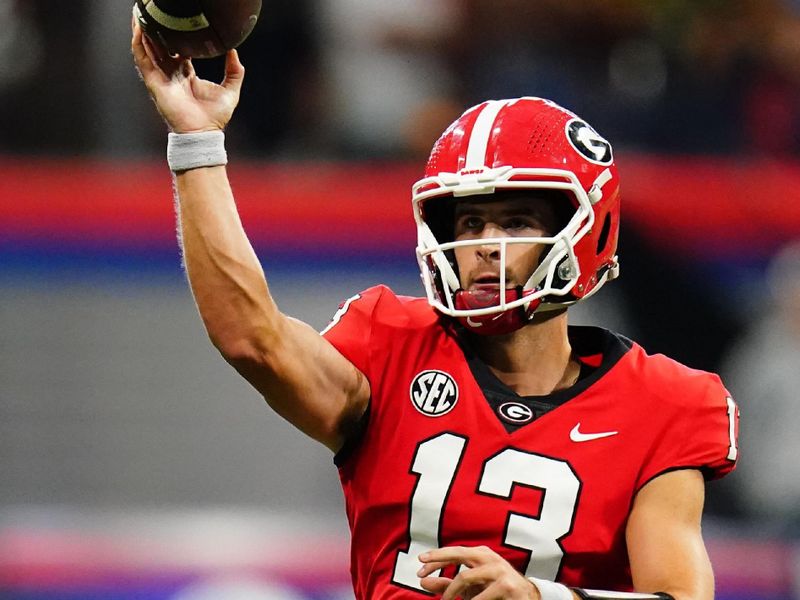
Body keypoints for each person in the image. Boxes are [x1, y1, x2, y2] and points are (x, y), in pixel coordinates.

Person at [131, 18, 739, 600]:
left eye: (516, 222)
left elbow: (680, 594)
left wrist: (541, 597)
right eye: (470, 222)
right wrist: (196, 139)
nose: (482, 247)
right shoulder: (392, 345)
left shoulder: (661, 403)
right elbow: (251, 338)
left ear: (587, 232)